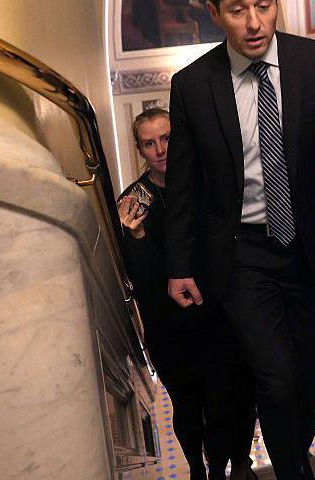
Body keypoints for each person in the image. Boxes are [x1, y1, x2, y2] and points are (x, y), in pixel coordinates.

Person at [164, 0, 315, 480]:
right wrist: (179, 266)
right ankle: (291, 471)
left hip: (308, 245)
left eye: (263, 4)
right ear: (214, 11)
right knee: (276, 377)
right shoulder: (191, 86)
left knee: (310, 373)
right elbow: (184, 187)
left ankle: (291, 452)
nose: (254, 22)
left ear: (276, 1)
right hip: (240, 256)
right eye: (238, 8)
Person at [117, 108, 257, 480]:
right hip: (170, 326)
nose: (160, 149)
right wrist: (138, 237)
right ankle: (199, 467)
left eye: (166, 138)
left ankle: (234, 464)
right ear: (139, 150)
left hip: (218, 312)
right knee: (188, 404)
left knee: (231, 393)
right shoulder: (134, 202)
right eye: (149, 143)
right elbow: (142, 282)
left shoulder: (208, 183)